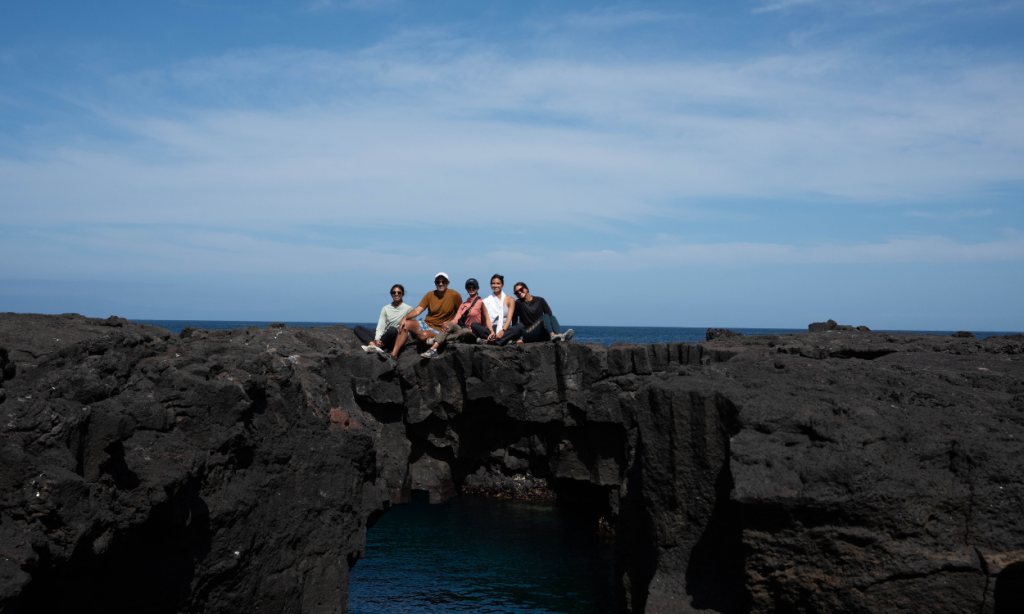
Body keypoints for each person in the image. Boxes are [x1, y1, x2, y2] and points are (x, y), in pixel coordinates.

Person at [420, 278, 495, 358]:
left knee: (464, 331)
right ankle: (433, 350)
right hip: (463, 328)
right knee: (449, 324)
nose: (471, 289)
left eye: (473, 287)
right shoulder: (463, 304)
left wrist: (490, 332)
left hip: (473, 332)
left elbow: (486, 319)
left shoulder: (482, 302)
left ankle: (436, 340)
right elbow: (456, 319)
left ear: (477, 288)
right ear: (466, 289)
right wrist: (446, 324)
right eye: (469, 287)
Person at [393, 272, 462, 358]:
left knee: (423, 336)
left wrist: (451, 324)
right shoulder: (430, 295)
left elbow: (460, 313)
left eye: (443, 282)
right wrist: (405, 318)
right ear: (435, 283)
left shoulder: (455, 295)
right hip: (426, 324)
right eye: (438, 282)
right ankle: (394, 354)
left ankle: (430, 340)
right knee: (405, 324)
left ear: (448, 283)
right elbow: (419, 309)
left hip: (440, 329)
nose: (440, 284)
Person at [353, 284, 412, 357]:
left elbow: (412, 326)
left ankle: (380, 346)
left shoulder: (408, 309)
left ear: (402, 294)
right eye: (394, 292)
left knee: (392, 330)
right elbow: (381, 325)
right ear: (391, 294)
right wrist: (377, 338)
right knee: (358, 328)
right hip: (385, 336)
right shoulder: (386, 308)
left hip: (396, 338)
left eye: (399, 292)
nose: (396, 294)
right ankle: (374, 345)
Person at [508, 282, 574, 344]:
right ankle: (552, 335)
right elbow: (514, 322)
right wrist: (517, 338)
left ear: (526, 289)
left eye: (521, 289)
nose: (519, 292)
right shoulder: (518, 303)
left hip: (540, 334)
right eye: (516, 292)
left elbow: (550, 317)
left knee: (552, 317)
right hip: (528, 333)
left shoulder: (540, 300)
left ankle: (560, 337)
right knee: (545, 316)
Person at [482, 274, 522, 346]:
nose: (495, 285)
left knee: (520, 326)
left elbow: (509, 319)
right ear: (490, 285)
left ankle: (495, 341)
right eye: (493, 283)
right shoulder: (486, 301)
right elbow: (487, 320)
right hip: (491, 329)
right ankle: (498, 338)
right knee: (474, 325)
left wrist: (502, 331)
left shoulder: (510, 300)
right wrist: (491, 331)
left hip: (505, 329)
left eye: (498, 283)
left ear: (502, 285)